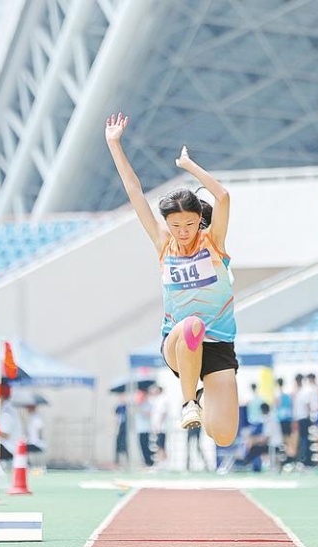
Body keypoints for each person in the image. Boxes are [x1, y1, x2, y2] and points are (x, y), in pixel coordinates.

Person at [105, 112, 239, 447]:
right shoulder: (163, 244)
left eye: (189, 225)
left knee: (223, 435)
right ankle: (188, 402)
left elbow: (222, 197)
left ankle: (203, 397)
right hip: (179, 341)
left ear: (199, 222)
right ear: (168, 223)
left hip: (219, 347)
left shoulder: (213, 245)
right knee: (194, 324)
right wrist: (114, 144)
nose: (182, 232)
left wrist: (188, 165)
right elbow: (135, 191)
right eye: (176, 225)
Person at [114, 394, 128, 467]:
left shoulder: (126, 407)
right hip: (119, 426)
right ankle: (117, 460)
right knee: (118, 442)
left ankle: (126, 460)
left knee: (124, 443)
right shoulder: (118, 407)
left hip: (125, 426)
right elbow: (116, 417)